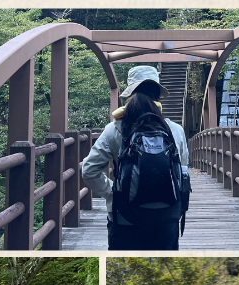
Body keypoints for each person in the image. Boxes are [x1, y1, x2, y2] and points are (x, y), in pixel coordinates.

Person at [81, 65, 189, 250]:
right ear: (157, 96)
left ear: (129, 95)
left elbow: (89, 171)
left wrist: (114, 192)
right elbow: (183, 171)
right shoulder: (175, 131)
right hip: (166, 218)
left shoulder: (114, 129)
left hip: (125, 218)